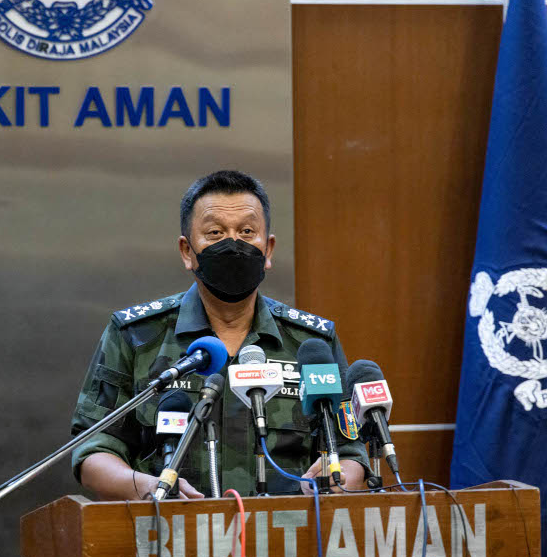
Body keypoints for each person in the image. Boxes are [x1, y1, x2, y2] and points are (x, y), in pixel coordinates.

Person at [70, 170, 369, 499]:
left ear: (268, 250)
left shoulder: (312, 345)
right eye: (215, 232)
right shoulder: (137, 336)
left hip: (288, 537)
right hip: (168, 536)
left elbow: (351, 452)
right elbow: (93, 451)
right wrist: (146, 486)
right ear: (187, 251)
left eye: (247, 231)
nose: (233, 244)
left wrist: (339, 477)